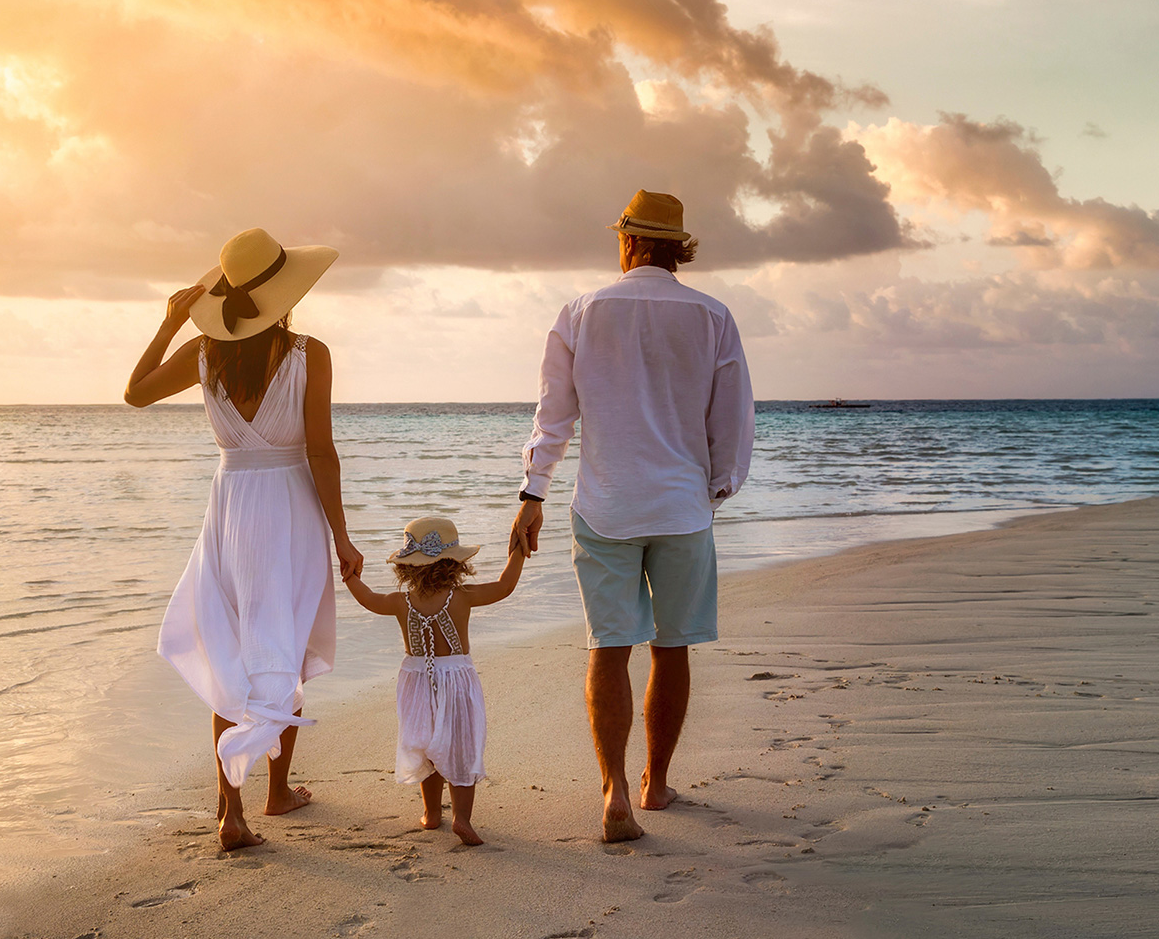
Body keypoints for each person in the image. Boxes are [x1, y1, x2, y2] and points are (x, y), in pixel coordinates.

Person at [509, 190, 754, 843]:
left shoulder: (581, 312)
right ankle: (655, 782)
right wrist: (716, 489)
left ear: (628, 243)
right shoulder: (712, 316)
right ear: (677, 248)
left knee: (608, 646)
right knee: (671, 648)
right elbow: (730, 418)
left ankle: (614, 787)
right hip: (680, 506)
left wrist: (532, 494)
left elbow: (553, 415)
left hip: (604, 505)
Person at [125, 227, 363, 851]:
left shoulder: (206, 354)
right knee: (282, 637)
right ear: (287, 293)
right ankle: (276, 791)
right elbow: (320, 452)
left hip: (230, 509)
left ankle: (231, 811)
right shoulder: (311, 353)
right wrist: (342, 536)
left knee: (233, 648)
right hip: (290, 507)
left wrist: (170, 324)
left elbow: (135, 392)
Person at [343, 515, 524, 847]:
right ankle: (462, 818)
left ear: (407, 566)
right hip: (456, 679)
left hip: (416, 681)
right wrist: (518, 551)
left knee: (426, 745)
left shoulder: (400, 602)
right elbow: (504, 586)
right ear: (454, 563)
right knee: (460, 747)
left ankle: (430, 814)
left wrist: (350, 574)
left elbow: (367, 598)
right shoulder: (463, 597)